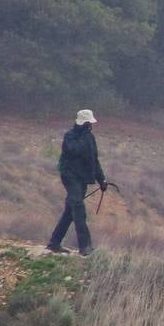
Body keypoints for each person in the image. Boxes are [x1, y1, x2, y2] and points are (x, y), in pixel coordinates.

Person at [46, 109, 107, 255]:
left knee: (70, 210)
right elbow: (72, 151)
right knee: (78, 208)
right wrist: (84, 137)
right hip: (69, 176)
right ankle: (85, 247)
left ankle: (54, 243)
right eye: (89, 123)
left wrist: (101, 179)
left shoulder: (90, 138)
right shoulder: (70, 137)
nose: (91, 126)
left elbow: (94, 160)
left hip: (83, 179)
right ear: (84, 123)